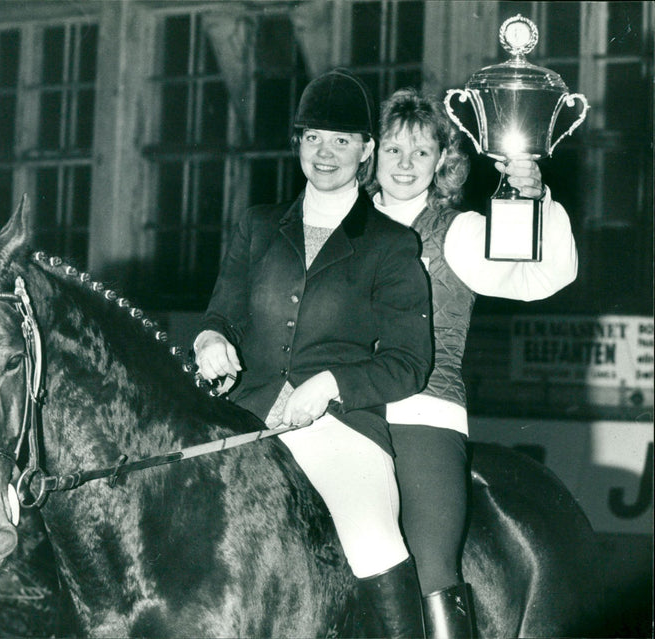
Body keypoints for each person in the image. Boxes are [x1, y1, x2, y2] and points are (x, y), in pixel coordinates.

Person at [193, 69, 433, 637]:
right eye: (313, 138)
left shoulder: (392, 245)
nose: (325, 153)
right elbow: (219, 313)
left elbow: (409, 363)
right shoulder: (256, 226)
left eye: (343, 141)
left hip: (341, 428)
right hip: (243, 415)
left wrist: (328, 385)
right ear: (298, 143)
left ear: (367, 150)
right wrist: (210, 341)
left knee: (371, 534)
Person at [370, 87, 578, 638]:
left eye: (421, 152)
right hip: (340, 412)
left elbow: (543, 278)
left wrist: (534, 201)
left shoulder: (458, 231)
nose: (406, 165)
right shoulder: (345, 224)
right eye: (394, 150)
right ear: (372, 155)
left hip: (422, 412)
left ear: (443, 159)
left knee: (431, 566)